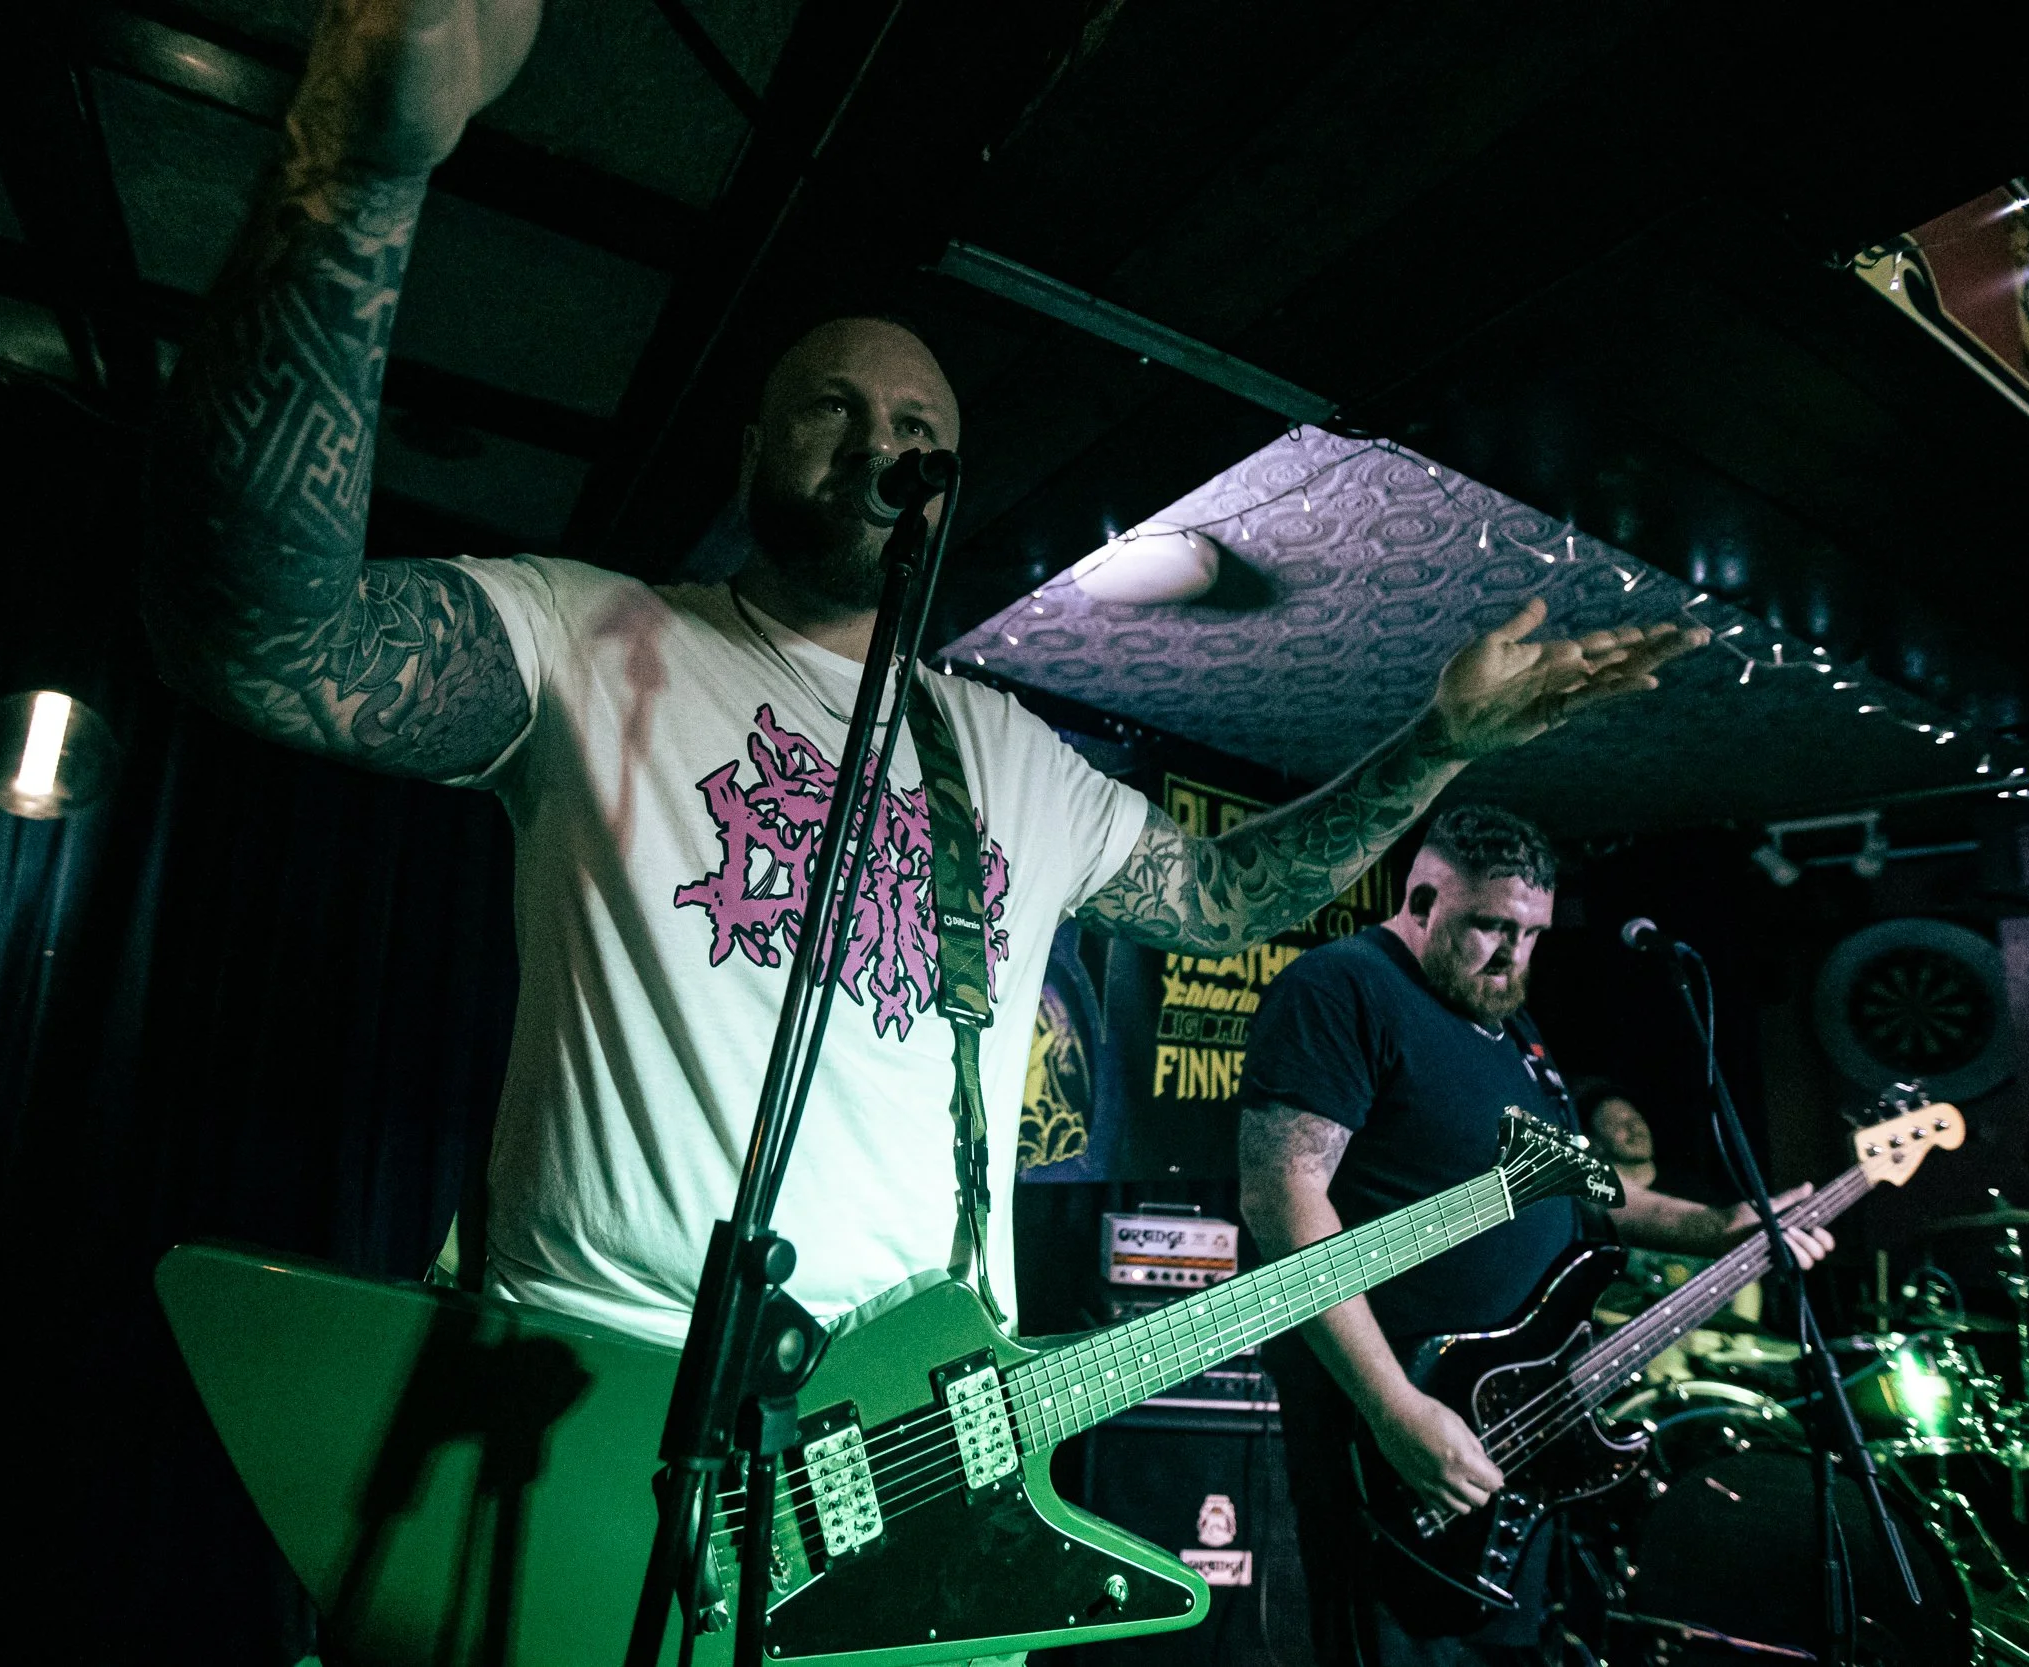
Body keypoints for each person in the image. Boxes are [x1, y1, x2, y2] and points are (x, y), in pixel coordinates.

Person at [138, 0, 1704, 1351]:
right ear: (748, 448)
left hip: (913, 1444)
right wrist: (358, 162)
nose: (883, 441)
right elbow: (273, 642)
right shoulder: (592, 636)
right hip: (593, 1395)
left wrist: (1435, 738)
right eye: (833, 408)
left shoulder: (1005, 753)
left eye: (919, 431)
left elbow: (1225, 900)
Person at [1237, 807, 1830, 1667]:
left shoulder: (1507, 1030)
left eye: (1533, 932)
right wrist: (1392, 1405)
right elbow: (1283, 1199)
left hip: (1515, 1430)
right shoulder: (1344, 987)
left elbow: (1574, 1181)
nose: (1514, 954)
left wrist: (1714, 1225)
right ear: (1422, 898)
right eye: (1491, 927)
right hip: (1391, 1442)